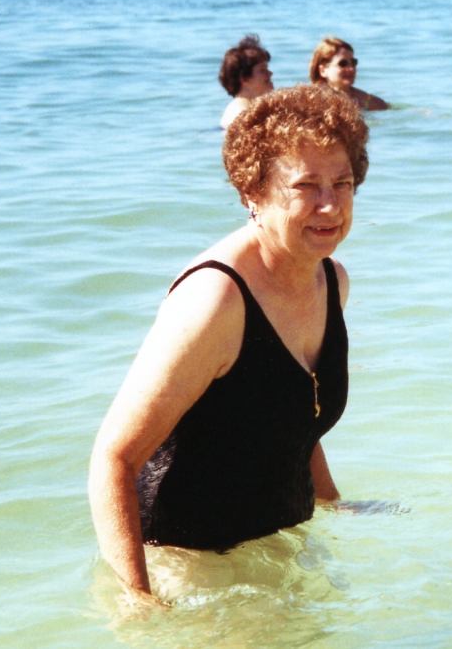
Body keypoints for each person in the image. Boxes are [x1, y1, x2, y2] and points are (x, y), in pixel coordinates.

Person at [89, 85, 369, 605]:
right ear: (252, 193)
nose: (330, 204)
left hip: (277, 542)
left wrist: (334, 503)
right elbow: (114, 458)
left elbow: (291, 410)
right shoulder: (216, 299)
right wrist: (138, 602)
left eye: (343, 183)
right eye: (306, 185)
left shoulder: (331, 282)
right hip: (186, 562)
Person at [309, 37, 389, 111]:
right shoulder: (312, 102)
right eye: (343, 63)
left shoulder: (370, 103)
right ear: (323, 70)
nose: (351, 68)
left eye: (353, 62)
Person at [218, 35, 275, 129]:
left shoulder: (249, 109)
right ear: (245, 80)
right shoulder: (240, 113)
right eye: (262, 70)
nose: (270, 73)